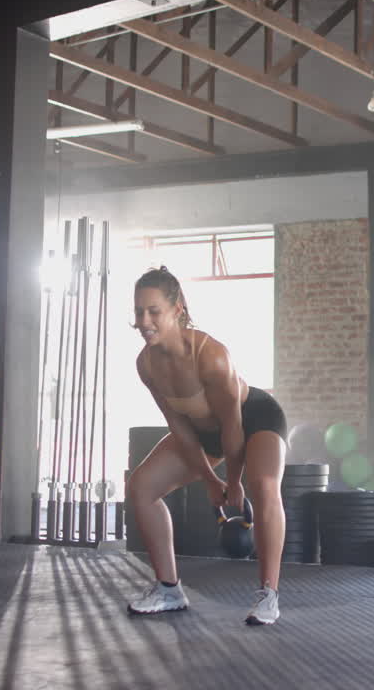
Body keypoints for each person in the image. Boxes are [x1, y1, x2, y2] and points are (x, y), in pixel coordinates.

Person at [125, 266, 287, 625]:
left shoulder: (210, 355)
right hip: (204, 432)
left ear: (176, 310)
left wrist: (234, 482)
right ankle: (169, 589)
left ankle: (269, 595)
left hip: (254, 419)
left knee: (263, 485)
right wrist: (210, 481)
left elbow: (233, 425)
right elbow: (180, 428)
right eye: (139, 312)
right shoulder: (146, 365)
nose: (144, 321)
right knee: (141, 487)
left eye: (154, 311)